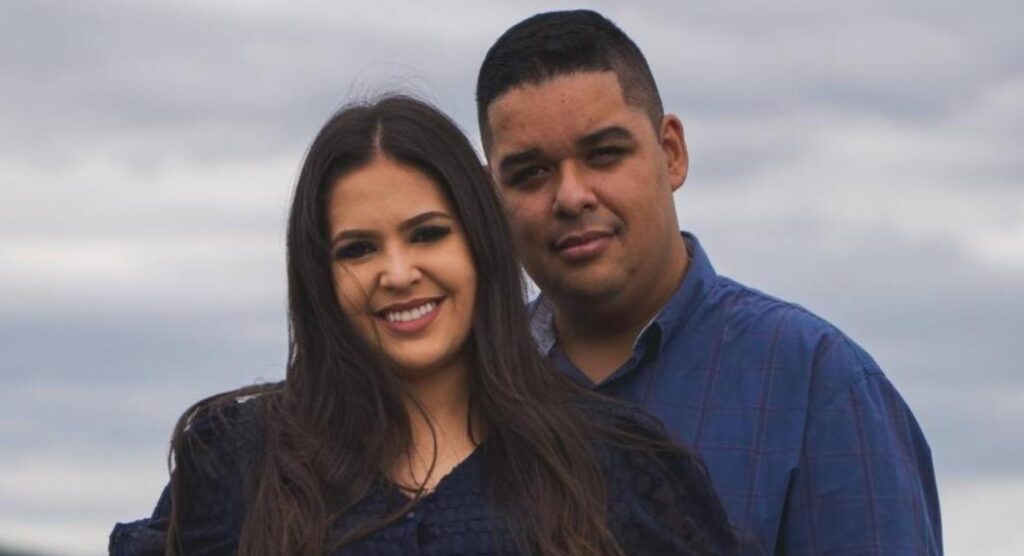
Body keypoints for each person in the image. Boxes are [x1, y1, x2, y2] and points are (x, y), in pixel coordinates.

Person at [108, 96, 739, 555]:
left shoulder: (613, 464)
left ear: (480, 242)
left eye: (428, 234)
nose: (398, 272)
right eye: (358, 249)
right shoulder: (240, 462)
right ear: (319, 276)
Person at [476, 9, 942, 556]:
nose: (572, 196)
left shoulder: (815, 385)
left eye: (604, 154)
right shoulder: (465, 393)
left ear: (671, 153)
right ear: (491, 197)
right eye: (530, 173)